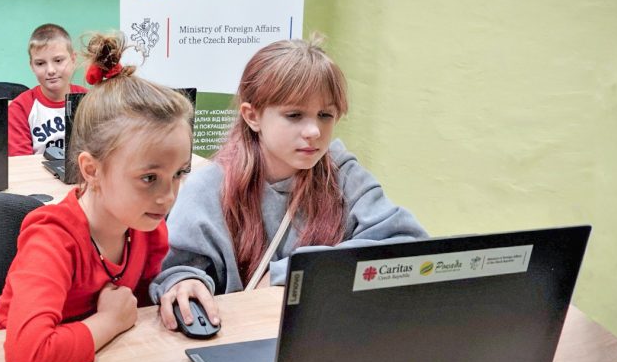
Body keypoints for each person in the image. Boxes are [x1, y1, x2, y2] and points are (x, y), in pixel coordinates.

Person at [151, 35, 428, 331]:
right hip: (236, 339)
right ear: (252, 116)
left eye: (325, 115)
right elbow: (176, 272)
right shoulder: (208, 187)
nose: (314, 131)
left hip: (321, 336)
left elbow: (408, 248)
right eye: (294, 115)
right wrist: (185, 283)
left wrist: (292, 272)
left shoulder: (343, 174)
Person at [0, 32, 194, 362]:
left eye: (179, 173)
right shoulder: (52, 238)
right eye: (149, 178)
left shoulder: (147, 226)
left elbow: (140, 309)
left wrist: (179, 284)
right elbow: (28, 360)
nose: (168, 197)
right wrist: (108, 322)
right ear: (91, 170)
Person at [8, 23, 88, 156]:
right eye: (40, 63)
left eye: (58, 60)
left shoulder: (89, 101)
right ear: (32, 66)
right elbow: (21, 162)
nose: (51, 70)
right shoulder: (20, 109)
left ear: (73, 59)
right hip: (36, 170)